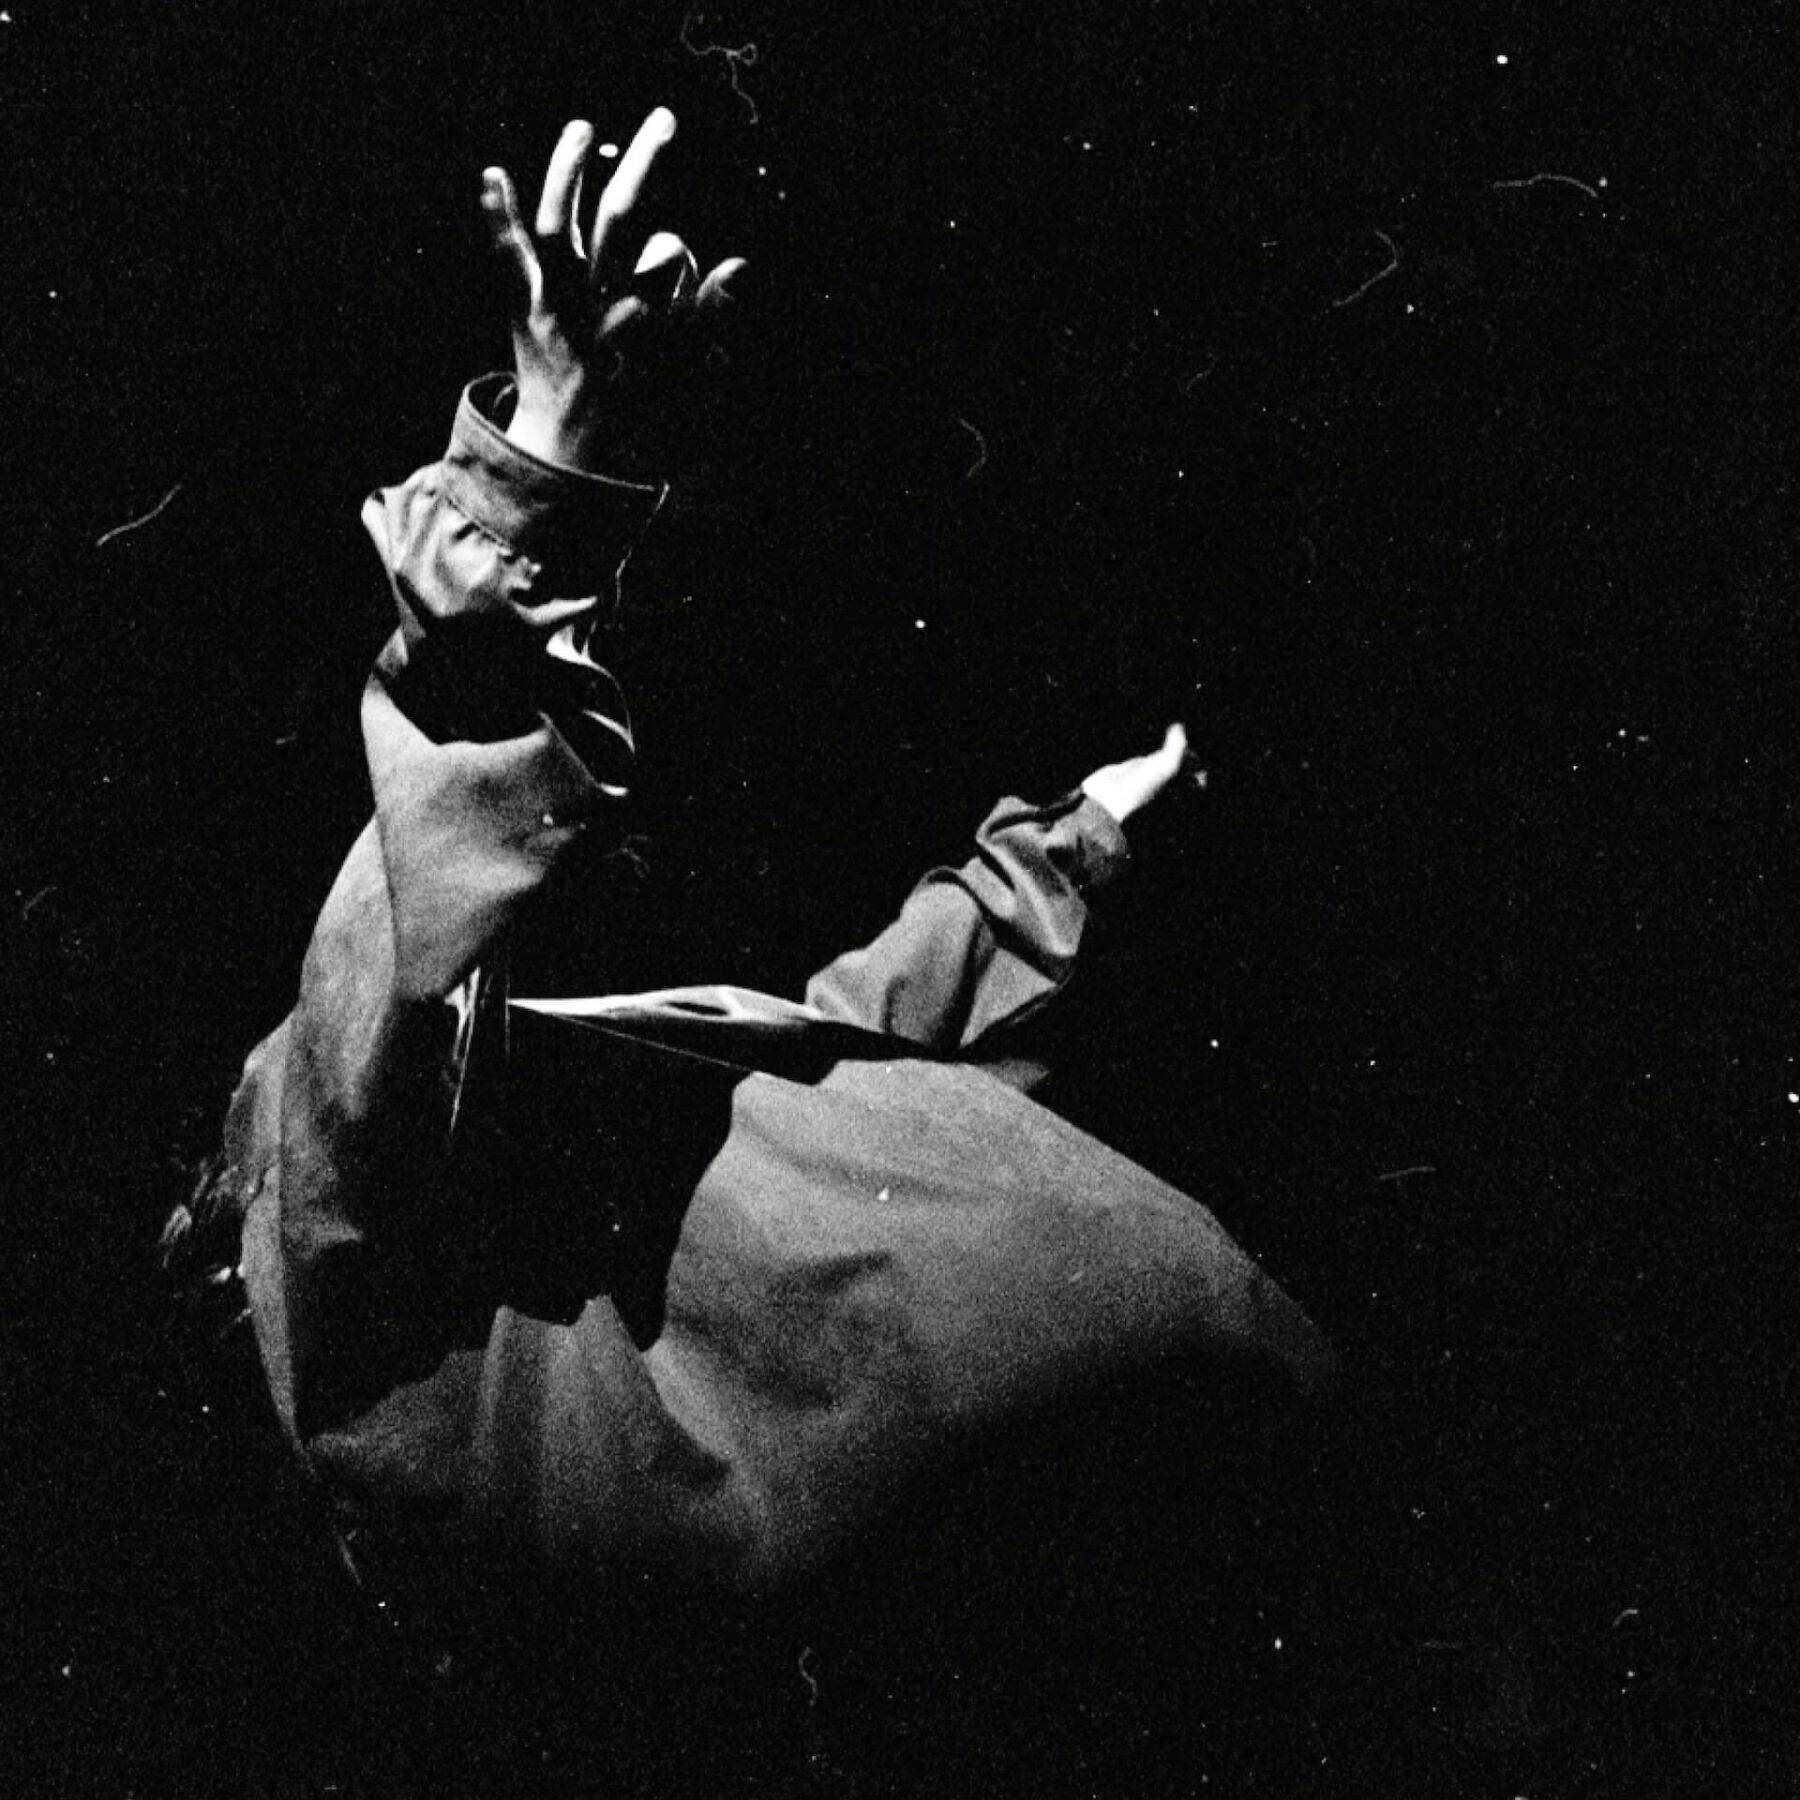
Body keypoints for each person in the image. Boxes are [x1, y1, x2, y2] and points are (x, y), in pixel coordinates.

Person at [185, 99, 1336, 1766]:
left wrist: (1075, 844)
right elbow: (379, 1006)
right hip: (1125, 1491)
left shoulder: (560, 1214)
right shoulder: (363, 1347)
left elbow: (836, 1037)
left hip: (1199, 1416)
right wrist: (532, 472)